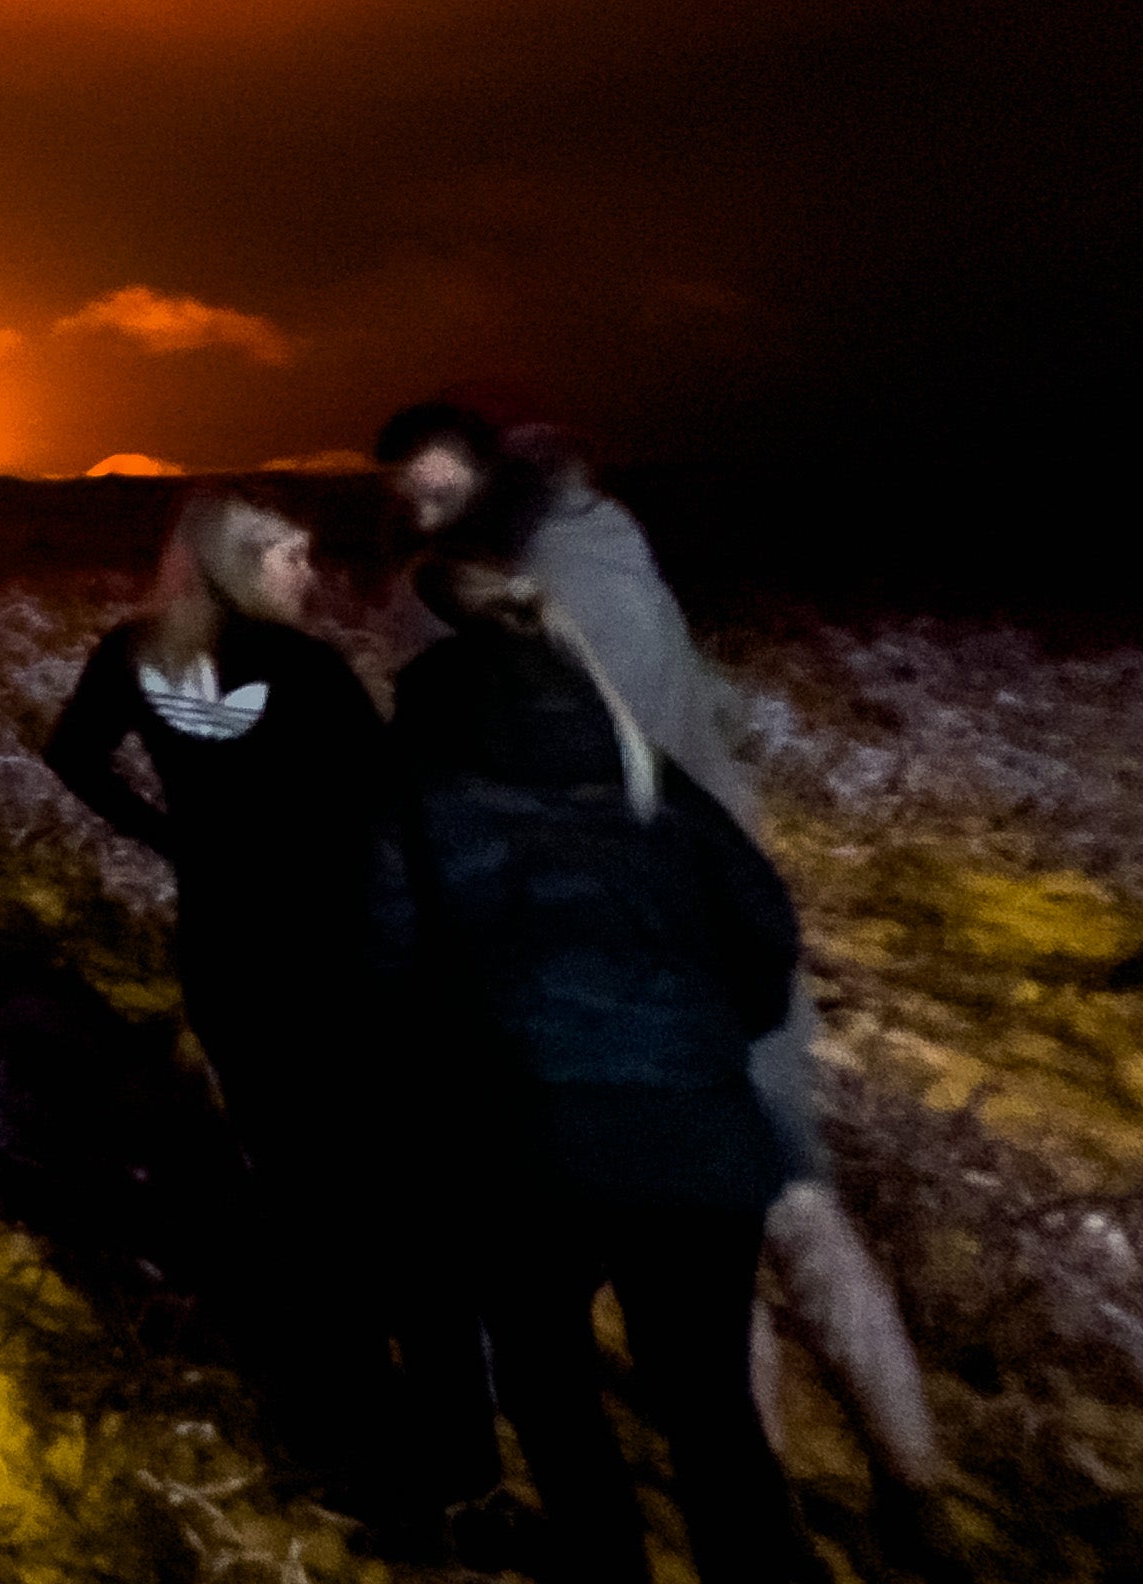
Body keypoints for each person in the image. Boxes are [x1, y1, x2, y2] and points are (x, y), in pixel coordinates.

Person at [376, 401, 942, 1530]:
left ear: (487, 480)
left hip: (619, 987)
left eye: (439, 492)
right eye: (409, 502)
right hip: (714, 942)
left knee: (721, 1265)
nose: (424, 517)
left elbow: (455, 834)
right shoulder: (611, 544)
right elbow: (716, 719)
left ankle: (767, 1500)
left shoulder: (492, 637)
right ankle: (911, 1490)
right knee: (790, 1202)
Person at [44, 491, 497, 1544]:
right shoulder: (310, 672)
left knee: (300, 1191)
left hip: (228, 952)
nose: (312, 579)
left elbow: (71, 757)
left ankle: (352, 1435)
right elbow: (393, 813)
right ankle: (456, 1459)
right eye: (294, 560)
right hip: (341, 956)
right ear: (243, 565)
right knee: (401, 1207)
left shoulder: (133, 653)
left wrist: (171, 838)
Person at [391, 523, 825, 1584]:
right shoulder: (644, 771)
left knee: (548, 1384)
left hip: (530, 1140)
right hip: (699, 1132)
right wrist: (709, 1042)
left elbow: (384, 962)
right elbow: (764, 925)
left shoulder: (423, 791)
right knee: (712, 1406)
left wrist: (441, 1083)